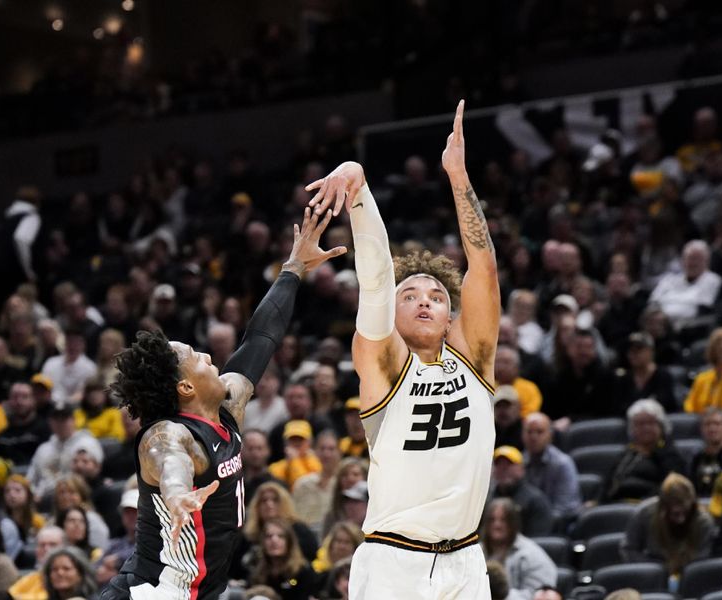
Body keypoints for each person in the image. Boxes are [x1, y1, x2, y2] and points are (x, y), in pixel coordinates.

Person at [101, 208, 344, 600]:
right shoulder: (168, 433)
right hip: (153, 592)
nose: (207, 356)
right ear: (184, 387)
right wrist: (177, 492)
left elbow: (260, 339)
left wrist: (294, 267)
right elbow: (170, 463)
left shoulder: (227, 406)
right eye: (195, 355)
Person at [308, 101, 498, 599]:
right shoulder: (384, 365)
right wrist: (358, 192)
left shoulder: (475, 360)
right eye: (409, 295)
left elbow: (483, 267)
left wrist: (457, 175)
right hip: (395, 561)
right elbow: (375, 282)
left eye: (436, 297)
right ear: (390, 316)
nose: (423, 302)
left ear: (450, 318)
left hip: (467, 560)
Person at [620, 473, 715, 578]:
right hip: (653, 570)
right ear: (663, 507)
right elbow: (629, 549)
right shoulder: (645, 513)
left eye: (685, 513)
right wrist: (654, 569)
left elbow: (702, 558)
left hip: (690, 573)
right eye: (675, 514)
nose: (681, 519)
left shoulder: (703, 522)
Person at [603, 399, 686, 503]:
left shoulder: (669, 454)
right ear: (632, 428)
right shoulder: (626, 453)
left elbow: (672, 488)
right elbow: (609, 485)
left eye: (650, 423)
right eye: (640, 424)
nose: (645, 428)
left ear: (661, 426)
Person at [479, 498, 557, 599]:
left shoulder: (532, 555)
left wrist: (500, 597)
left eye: (503, 520)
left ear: (513, 523)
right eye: (492, 520)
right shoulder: (475, 553)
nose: (497, 525)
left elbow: (541, 595)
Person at [522, 412, 582, 524]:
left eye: (539, 432)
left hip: (560, 524)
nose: (533, 437)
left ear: (550, 435)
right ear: (522, 435)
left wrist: (537, 521)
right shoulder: (518, 463)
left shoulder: (563, 463)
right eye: (529, 432)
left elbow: (566, 507)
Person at [489, 446, 554, 536]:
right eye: (498, 464)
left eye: (509, 464)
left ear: (522, 469)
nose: (503, 469)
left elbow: (540, 539)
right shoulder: (486, 500)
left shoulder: (536, 500)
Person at [8, 526, 66, 600]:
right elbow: (8, 596)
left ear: (65, 548)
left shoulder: (66, 577)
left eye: (53, 545)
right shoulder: (30, 578)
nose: (47, 549)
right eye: (42, 545)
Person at [689, 408, 722, 497]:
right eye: (707, 424)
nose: (712, 428)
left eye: (717, 423)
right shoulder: (697, 457)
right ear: (701, 429)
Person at [268, 420, 322, 488]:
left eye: (301, 439)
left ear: (310, 442)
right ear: (285, 443)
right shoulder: (274, 468)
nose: (296, 442)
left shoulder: (317, 464)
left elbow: (303, 489)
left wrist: (294, 461)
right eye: (292, 439)